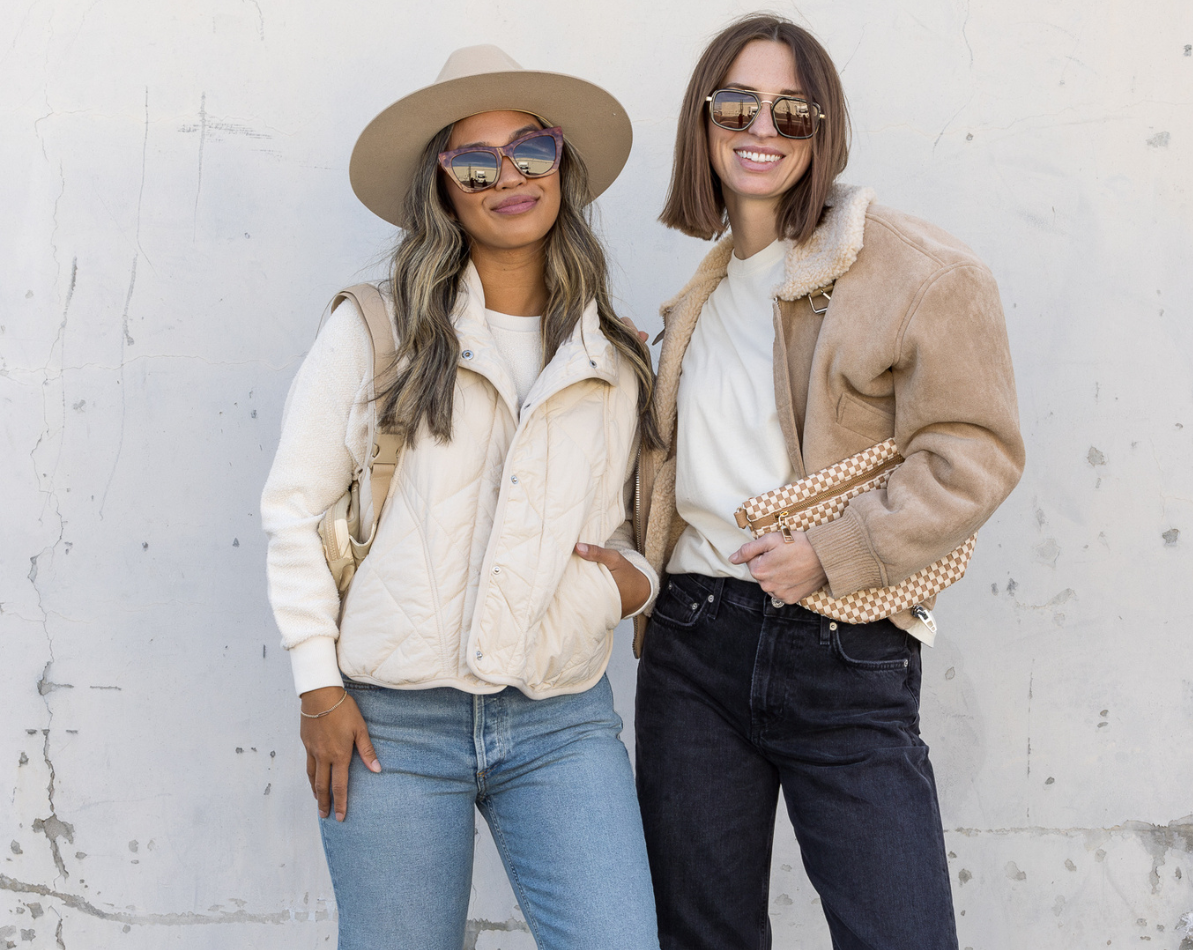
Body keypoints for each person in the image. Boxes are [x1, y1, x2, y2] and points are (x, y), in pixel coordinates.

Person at [634, 15, 1025, 950]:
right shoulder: (696, 300)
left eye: (793, 112)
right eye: (737, 105)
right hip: (693, 645)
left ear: (824, 130)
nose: (762, 128)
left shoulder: (915, 271)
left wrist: (832, 552)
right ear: (703, 122)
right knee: (704, 936)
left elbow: (975, 450)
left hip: (844, 650)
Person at [261, 44, 661, 950]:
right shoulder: (376, 330)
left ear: (562, 165)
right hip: (392, 727)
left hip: (560, 718)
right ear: (442, 187)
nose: (509, 177)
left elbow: (636, 522)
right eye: (476, 163)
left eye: (532, 150)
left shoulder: (613, 354)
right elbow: (293, 510)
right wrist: (317, 688)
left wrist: (629, 584)